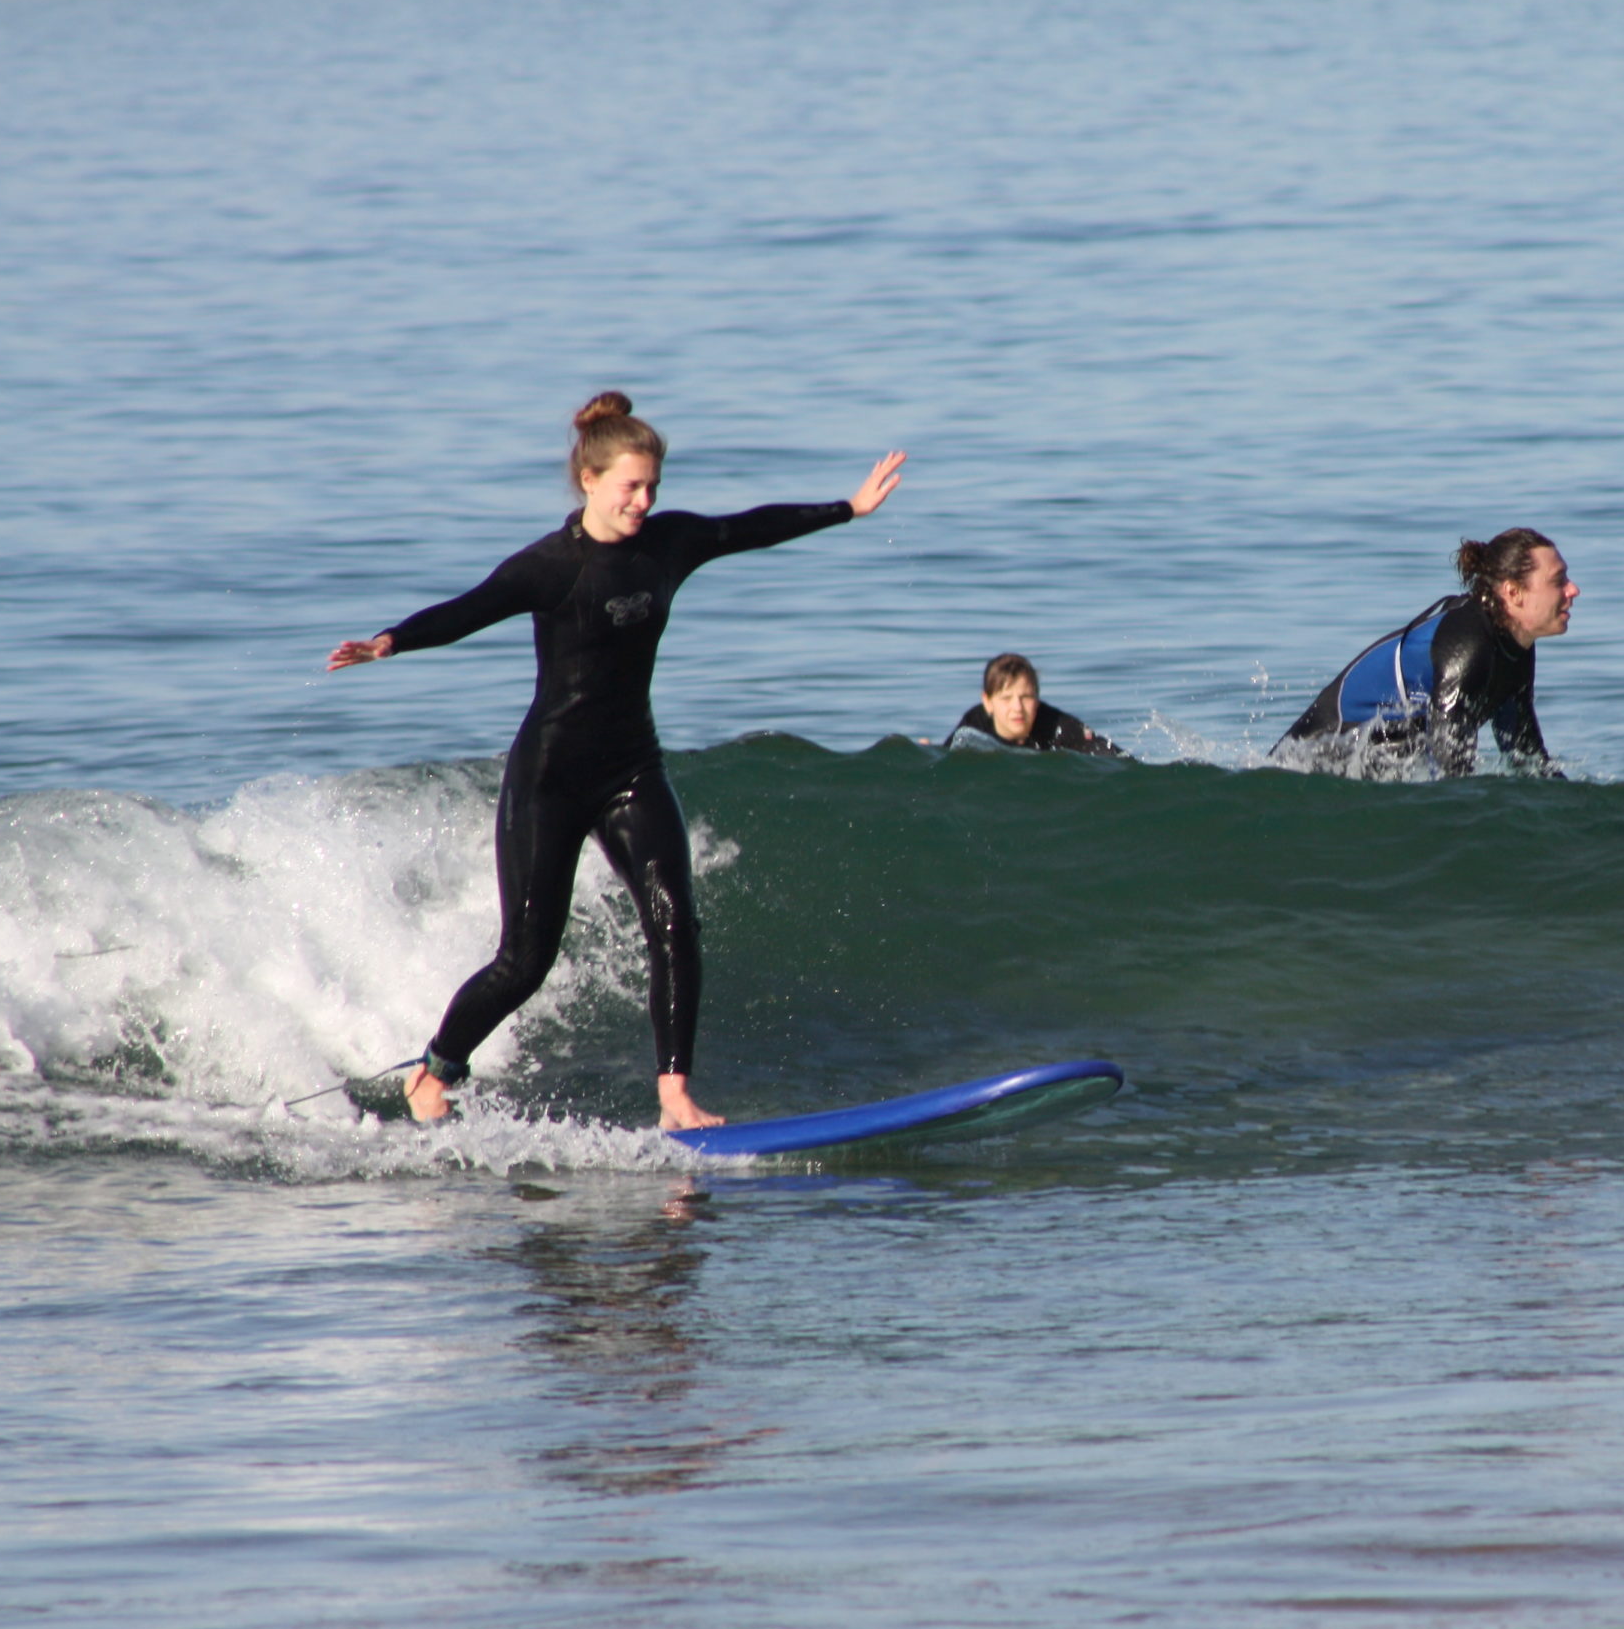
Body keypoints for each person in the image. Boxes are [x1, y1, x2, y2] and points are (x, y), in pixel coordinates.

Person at [326, 391, 905, 1131]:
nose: (645, 500)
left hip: (632, 767)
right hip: (550, 778)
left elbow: (747, 526)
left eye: (653, 486)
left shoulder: (667, 543)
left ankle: (675, 1098)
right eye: (631, 486)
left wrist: (846, 509)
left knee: (674, 922)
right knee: (524, 961)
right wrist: (389, 641)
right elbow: (468, 608)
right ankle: (434, 1071)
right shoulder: (549, 567)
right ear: (590, 481)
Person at [1274, 528, 1576, 777]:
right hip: (1318, 754)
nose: (1572, 590)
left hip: (1373, 756)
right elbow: (1450, 769)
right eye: (1558, 581)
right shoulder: (1469, 645)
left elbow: (1525, 756)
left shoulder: (1515, 647)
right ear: (1513, 592)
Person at [944, 653, 1124, 757]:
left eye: (1026, 697)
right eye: (1006, 698)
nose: (1017, 707)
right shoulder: (974, 724)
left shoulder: (1058, 727)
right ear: (988, 702)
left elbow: (1113, 759)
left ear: (1037, 698)